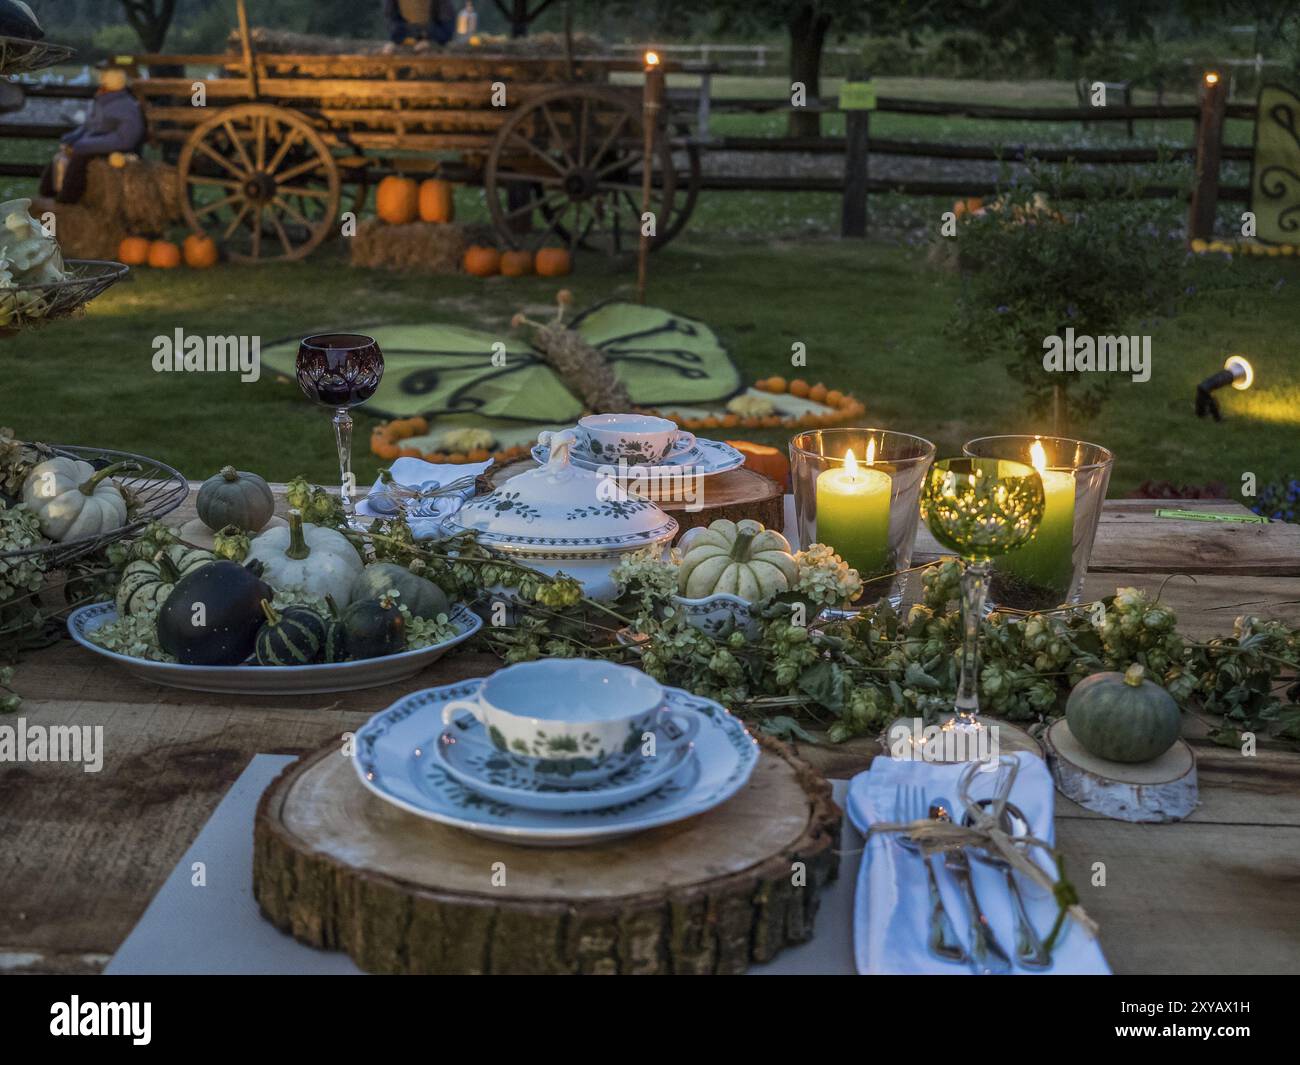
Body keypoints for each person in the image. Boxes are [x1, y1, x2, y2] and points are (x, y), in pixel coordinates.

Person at [39, 67, 144, 204]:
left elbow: (126, 138)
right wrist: (71, 139)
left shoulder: (126, 106)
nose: (100, 86)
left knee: (79, 157)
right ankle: (47, 193)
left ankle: (67, 199)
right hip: (101, 141)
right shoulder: (103, 101)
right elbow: (89, 126)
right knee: (62, 156)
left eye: (104, 83)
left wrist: (87, 144)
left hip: (119, 148)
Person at [384, 0, 457, 47]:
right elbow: (392, 22)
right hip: (406, 37)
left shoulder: (443, 4)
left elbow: (446, 31)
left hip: (435, 37)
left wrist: (430, 40)